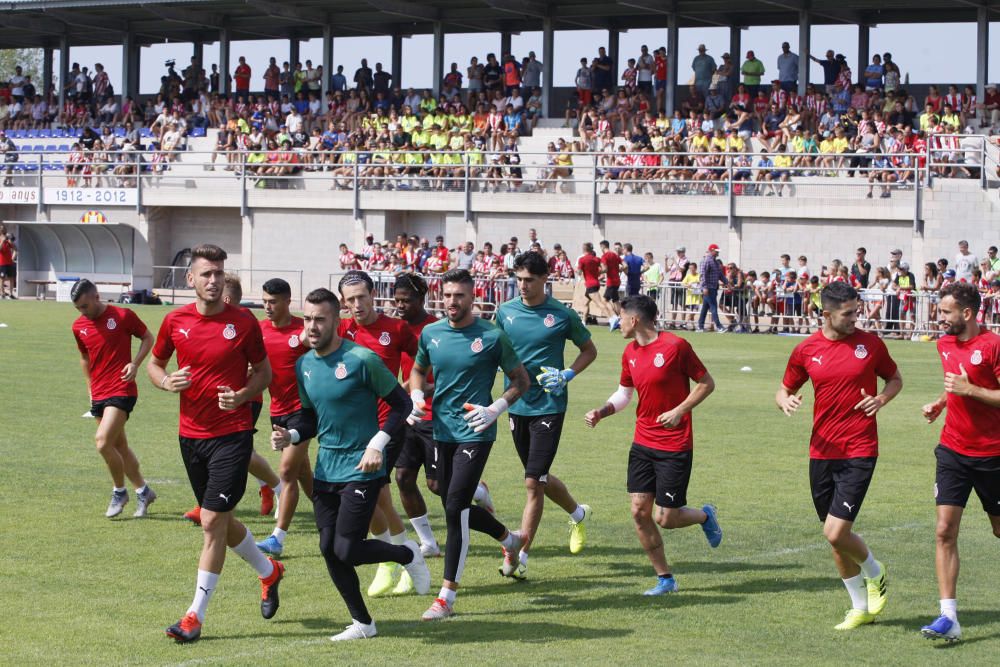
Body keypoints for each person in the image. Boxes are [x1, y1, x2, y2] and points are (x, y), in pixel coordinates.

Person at [272, 287, 429, 641]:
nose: (311, 327)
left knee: (347, 548)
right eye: (307, 319)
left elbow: (403, 405)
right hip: (327, 468)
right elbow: (310, 419)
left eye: (319, 320)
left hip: (364, 465)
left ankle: (406, 553)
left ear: (336, 322)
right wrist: (292, 437)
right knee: (328, 549)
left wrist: (378, 443)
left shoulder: (362, 359)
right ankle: (363, 624)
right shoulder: (304, 365)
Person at [148, 244, 283, 643]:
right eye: (206, 274)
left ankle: (194, 616)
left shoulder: (243, 321)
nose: (213, 280)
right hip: (190, 436)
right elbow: (155, 365)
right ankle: (269, 571)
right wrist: (165, 381)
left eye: (219, 273)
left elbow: (263, 373)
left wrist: (242, 396)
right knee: (219, 520)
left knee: (210, 522)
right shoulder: (175, 321)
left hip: (232, 435)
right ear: (190, 279)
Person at [776, 281, 902, 630]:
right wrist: (785, 399)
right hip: (821, 451)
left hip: (859, 448)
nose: (855, 318)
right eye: (848, 313)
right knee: (834, 536)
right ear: (826, 313)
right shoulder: (806, 350)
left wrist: (881, 399)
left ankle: (876, 572)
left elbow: (894, 379)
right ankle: (859, 608)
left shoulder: (870, 344)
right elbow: (785, 388)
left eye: (857, 311)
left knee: (835, 532)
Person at [408, 268, 530, 620]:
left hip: (476, 430)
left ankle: (446, 598)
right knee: (449, 499)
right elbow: (419, 370)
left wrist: (496, 408)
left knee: (455, 507)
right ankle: (510, 540)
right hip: (440, 429)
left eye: (459, 295)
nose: (451, 302)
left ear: (473, 297)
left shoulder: (492, 336)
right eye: (446, 295)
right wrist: (417, 395)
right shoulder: (431, 333)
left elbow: (521, 380)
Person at [584, 295, 721, 595]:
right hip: (643, 442)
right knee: (638, 512)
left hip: (675, 444)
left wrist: (680, 410)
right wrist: (602, 411)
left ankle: (705, 516)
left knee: (666, 518)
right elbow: (624, 394)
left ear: (634, 320)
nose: (617, 322)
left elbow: (706, 383)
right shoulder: (629, 352)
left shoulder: (675, 347)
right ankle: (665, 579)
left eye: (620, 317)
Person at [496, 252, 597, 580]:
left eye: (529, 280)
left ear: (545, 280)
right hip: (517, 404)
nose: (522, 286)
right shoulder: (505, 312)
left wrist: (567, 375)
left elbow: (589, 350)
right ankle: (578, 513)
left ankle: (521, 554)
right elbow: (493, 352)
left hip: (550, 406)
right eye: (519, 279)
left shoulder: (562, 315)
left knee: (532, 483)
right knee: (536, 477)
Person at [919, 282, 1000, 643]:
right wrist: (942, 402)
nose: (941, 318)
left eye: (946, 312)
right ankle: (948, 616)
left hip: (993, 454)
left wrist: (972, 392)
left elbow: (976, 387)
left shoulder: (994, 345)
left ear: (967, 313)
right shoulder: (944, 344)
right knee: (944, 531)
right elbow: (956, 384)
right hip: (952, 450)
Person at [336, 270, 421, 597]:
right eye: (350, 299)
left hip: (388, 426)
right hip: (352, 429)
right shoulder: (342, 330)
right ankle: (398, 558)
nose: (356, 305)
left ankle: (402, 560)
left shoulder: (396, 329)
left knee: (376, 495)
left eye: (361, 297)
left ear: (374, 295)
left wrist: (400, 392)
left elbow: (420, 364)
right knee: (371, 502)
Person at [182, 276, 282, 526]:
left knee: (235, 452)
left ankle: (277, 487)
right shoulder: (208, 321)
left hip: (245, 399)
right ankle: (266, 487)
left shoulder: (243, 322)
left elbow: (262, 364)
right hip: (215, 401)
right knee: (230, 452)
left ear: (225, 298)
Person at [71, 279, 156, 518]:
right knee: (119, 447)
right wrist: (90, 388)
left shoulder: (122, 315)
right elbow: (85, 358)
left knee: (102, 442)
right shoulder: (79, 326)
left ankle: (119, 491)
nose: (82, 312)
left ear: (96, 297)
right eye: (78, 308)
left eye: (85, 306)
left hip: (122, 389)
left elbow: (148, 338)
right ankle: (143, 490)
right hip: (99, 393)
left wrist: (135, 364)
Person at [254, 278, 313, 558]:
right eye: (265, 301)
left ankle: (278, 538)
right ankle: (332, 513)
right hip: (276, 411)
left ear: (288, 301)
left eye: (273, 302)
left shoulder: (303, 330)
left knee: (287, 471)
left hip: (303, 411)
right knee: (303, 474)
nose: (267, 306)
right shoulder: (259, 330)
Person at [392, 274, 448, 561]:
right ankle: (428, 542)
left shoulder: (436, 329)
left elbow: (447, 377)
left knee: (437, 485)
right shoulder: (395, 328)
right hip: (408, 415)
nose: (400, 305)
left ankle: (477, 489)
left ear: (422, 299)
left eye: (407, 300)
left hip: (436, 415)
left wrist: (417, 389)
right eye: (397, 300)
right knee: (403, 477)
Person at [697, 243, 727, 332]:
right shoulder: (706, 261)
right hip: (708, 288)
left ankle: (700, 326)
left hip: (713, 288)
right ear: (712, 250)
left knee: (705, 308)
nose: (718, 253)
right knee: (713, 307)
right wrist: (704, 287)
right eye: (716, 251)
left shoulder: (716, 262)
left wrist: (727, 283)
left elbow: (720, 274)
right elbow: (703, 275)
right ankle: (719, 326)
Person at [600, 240, 623, 328]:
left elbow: (605, 269)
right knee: (616, 300)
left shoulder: (604, 256)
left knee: (604, 300)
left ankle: (614, 317)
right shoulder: (615, 255)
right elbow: (624, 265)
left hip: (611, 281)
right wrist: (618, 270)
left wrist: (597, 271)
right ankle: (621, 318)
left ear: (602, 247)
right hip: (617, 280)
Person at [0, 231, 16, 299]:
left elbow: (16, 250)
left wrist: (12, 258)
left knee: (11, 278)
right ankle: (2, 294)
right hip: (2, 264)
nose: (12, 241)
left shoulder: (9, 243)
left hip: (9, 263)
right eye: (11, 239)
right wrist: (2, 242)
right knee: (2, 279)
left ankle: (11, 294)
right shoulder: (2, 242)